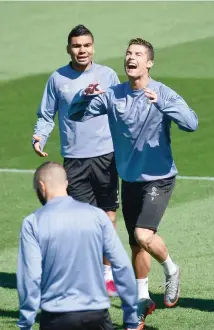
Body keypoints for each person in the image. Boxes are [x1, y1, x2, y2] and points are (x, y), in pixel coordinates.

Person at [68, 38, 198, 329]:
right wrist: (84, 97)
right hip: (130, 180)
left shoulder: (162, 92)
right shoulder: (113, 95)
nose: (131, 57)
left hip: (159, 178)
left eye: (138, 54)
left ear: (149, 62)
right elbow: (75, 115)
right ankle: (142, 300)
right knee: (136, 246)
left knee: (143, 234)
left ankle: (172, 269)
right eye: (128, 53)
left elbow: (191, 123)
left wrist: (163, 104)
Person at [32, 24, 120, 295]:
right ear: (68, 49)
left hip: (106, 156)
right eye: (76, 46)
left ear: (93, 47)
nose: (82, 50)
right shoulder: (57, 79)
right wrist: (39, 136)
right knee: (83, 220)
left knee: (107, 217)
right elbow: (47, 114)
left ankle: (106, 275)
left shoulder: (108, 75)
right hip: (75, 159)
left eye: (86, 45)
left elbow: (121, 109)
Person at [16, 161, 138, 330]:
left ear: (41, 187)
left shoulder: (32, 222)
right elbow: (122, 265)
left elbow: (30, 276)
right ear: (66, 184)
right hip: (97, 316)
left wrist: (26, 322)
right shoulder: (97, 216)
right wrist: (131, 317)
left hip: (56, 318)